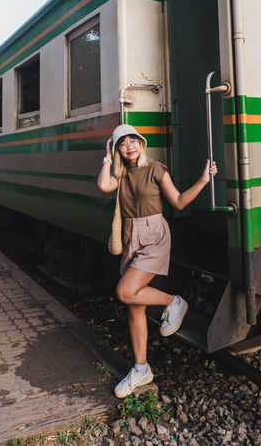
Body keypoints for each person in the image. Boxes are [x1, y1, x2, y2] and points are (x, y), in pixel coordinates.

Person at [97, 124, 217, 398]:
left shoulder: (156, 169)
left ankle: (174, 302)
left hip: (154, 235)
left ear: (141, 143)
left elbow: (178, 201)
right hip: (131, 238)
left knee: (125, 292)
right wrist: (107, 155)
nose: (129, 145)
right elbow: (104, 185)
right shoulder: (121, 174)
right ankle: (141, 369)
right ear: (118, 150)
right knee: (135, 306)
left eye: (133, 140)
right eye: (122, 143)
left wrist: (202, 181)